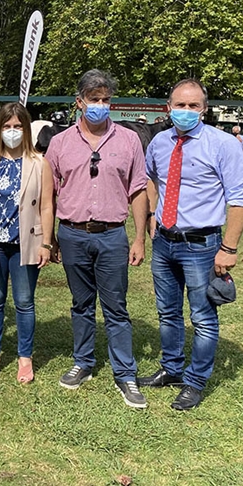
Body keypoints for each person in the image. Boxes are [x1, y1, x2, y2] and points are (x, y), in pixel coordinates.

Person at [141, 78, 243, 410]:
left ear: (204, 110)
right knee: (167, 313)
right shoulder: (160, 142)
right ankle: (172, 369)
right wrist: (152, 213)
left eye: (194, 106)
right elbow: (150, 177)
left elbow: (239, 200)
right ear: (169, 108)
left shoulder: (222, 144)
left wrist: (229, 248)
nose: (186, 111)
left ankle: (194, 382)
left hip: (203, 246)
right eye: (180, 105)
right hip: (164, 242)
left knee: (203, 318)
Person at [42, 69, 149, 409]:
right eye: (94, 100)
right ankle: (83, 362)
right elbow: (49, 194)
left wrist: (139, 239)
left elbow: (138, 190)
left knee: (116, 308)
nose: (101, 105)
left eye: (105, 100)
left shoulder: (129, 140)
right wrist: (50, 239)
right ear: (80, 103)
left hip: (112, 236)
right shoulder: (59, 143)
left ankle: (125, 374)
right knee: (81, 305)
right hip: (72, 234)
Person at [0, 103, 52, 383]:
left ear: (27, 130)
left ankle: (24, 357)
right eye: (7, 127)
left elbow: (47, 206)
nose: (12, 132)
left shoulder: (40, 163)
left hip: (26, 243)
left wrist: (47, 244)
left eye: (18, 127)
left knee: (24, 302)